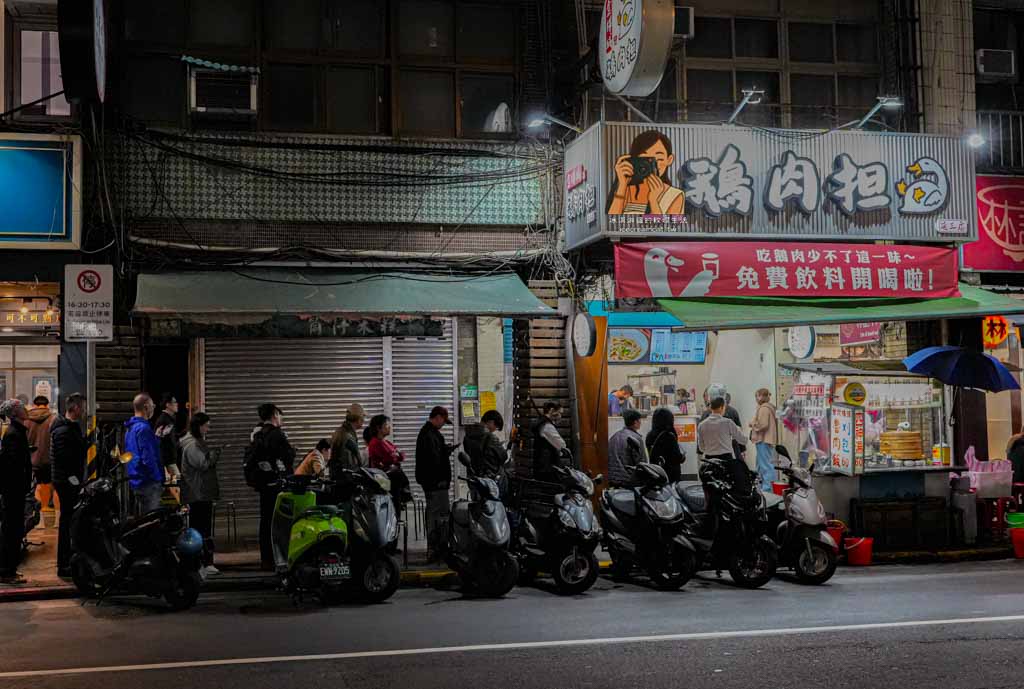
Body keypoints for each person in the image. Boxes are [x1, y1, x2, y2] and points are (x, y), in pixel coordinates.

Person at [248, 403, 296, 571]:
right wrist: (291, 450)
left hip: (264, 485)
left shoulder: (258, 433)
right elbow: (288, 458)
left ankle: (266, 560)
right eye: (280, 415)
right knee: (280, 522)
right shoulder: (277, 434)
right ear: (275, 414)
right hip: (278, 485)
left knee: (265, 521)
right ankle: (280, 559)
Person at [50, 394, 88, 578]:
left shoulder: (69, 428)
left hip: (67, 481)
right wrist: (73, 479)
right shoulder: (63, 430)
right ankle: (64, 563)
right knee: (67, 522)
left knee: (69, 521)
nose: (84, 411)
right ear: (74, 408)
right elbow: (65, 459)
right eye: (82, 407)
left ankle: (68, 561)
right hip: (66, 483)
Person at [607, 130, 685, 215]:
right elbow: (611, 220)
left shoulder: (674, 195)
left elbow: (668, 227)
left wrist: (653, 201)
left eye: (659, 159)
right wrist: (622, 185)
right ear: (634, 160)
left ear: (669, 160)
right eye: (645, 160)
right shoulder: (625, 189)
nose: (653, 166)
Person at [180, 412, 220, 577]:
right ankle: (201, 563)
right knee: (201, 529)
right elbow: (203, 464)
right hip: (198, 493)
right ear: (199, 426)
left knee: (201, 527)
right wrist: (214, 455)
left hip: (200, 493)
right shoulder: (192, 445)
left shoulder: (194, 443)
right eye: (206, 426)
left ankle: (202, 562)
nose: (208, 429)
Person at [416, 406, 455, 561]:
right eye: (443, 421)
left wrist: (445, 450)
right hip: (435, 484)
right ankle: (435, 549)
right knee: (437, 516)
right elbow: (433, 460)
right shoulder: (428, 434)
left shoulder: (429, 433)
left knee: (438, 515)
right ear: (437, 417)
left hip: (435, 483)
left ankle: (437, 548)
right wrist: (445, 452)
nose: (443, 425)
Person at [0, 399, 32, 583]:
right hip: (13, 490)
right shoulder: (13, 434)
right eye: (21, 408)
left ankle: (9, 569)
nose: (25, 410)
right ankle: (6, 571)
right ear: (15, 414)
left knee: (14, 529)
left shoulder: (17, 432)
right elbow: (12, 465)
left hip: (15, 489)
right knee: (12, 530)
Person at [125, 393, 164, 515]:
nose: (153, 408)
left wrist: (156, 438)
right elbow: (148, 458)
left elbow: (135, 453)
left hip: (136, 481)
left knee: (142, 521)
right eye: (153, 405)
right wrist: (158, 478)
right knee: (151, 521)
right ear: (146, 407)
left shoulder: (130, 429)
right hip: (148, 483)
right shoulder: (143, 429)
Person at [366, 414, 412, 505]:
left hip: (390, 479)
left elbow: (400, 456)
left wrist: (396, 455)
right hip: (383, 480)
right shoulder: (375, 443)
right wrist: (395, 455)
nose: (389, 427)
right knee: (394, 501)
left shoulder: (386, 442)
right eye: (386, 425)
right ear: (379, 428)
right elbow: (390, 458)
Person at [25, 396, 56, 527]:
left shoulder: (26, 420)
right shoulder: (53, 419)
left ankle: (38, 519)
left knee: (36, 487)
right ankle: (53, 520)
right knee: (51, 487)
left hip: (32, 459)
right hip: (49, 459)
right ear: (47, 405)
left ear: (34, 404)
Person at [699, 384, 744, 460]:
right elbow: (739, 432)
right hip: (730, 452)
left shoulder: (706, 414)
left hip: (711, 455)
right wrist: (742, 449)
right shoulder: (733, 411)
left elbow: (701, 441)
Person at [463, 410, 508, 480]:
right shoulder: (490, 437)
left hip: (472, 477)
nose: (494, 430)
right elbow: (503, 456)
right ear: (491, 422)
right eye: (496, 427)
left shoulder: (468, 435)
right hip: (488, 479)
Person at [749, 388, 779, 491]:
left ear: (761, 396)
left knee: (765, 466)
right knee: (762, 465)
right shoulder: (768, 407)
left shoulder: (764, 408)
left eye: (757, 396)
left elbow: (763, 424)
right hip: (765, 440)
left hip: (763, 440)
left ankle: (768, 489)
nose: (756, 398)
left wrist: (752, 424)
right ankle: (764, 487)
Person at [608, 410, 647, 486]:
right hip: (628, 480)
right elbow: (641, 463)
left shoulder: (614, 436)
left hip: (612, 478)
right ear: (635, 422)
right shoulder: (636, 438)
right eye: (640, 420)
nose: (641, 423)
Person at [646, 407, 684, 483]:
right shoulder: (669, 436)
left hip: (656, 472)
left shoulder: (649, 435)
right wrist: (683, 456)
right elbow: (677, 457)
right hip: (671, 474)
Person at [532, 402, 568, 480]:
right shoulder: (547, 426)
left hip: (543, 467)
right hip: (547, 469)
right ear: (552, 410)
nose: (560, 417)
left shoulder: (542, 423)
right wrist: (560, 451)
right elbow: (562, 445)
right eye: (559, 413)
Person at [153, 393, 182, 485]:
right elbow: (159, 441)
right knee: (175, 485)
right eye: (174, 402)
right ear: (167, 405)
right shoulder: (164, 420)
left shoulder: (169, 419)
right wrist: (164, 465)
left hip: (170, 460)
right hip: (167, 461)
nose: (177, 404)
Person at [330, 404, 365, 475]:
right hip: (345, 480)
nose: (363, 420)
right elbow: (349, 464)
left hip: (338, 477)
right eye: (363, 417)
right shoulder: (348, 437)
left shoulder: (341, 431)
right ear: (358, 419)